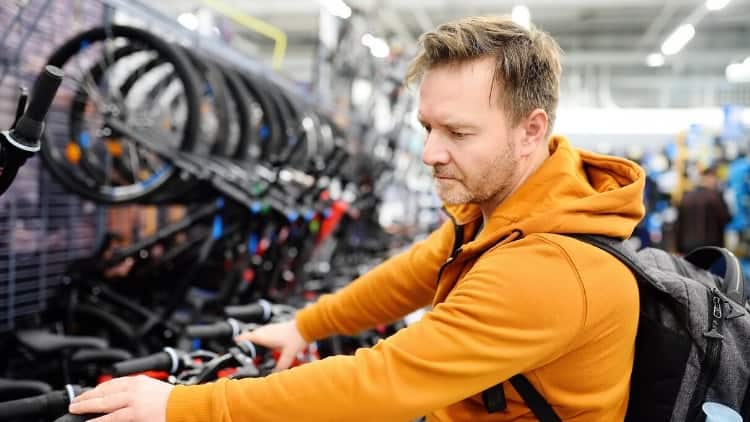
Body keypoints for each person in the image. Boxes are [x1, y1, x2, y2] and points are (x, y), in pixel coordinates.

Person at [69, 15, 645, 422]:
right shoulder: (507, 209)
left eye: (458, 133)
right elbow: (411, 273)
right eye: (427, 128)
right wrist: (306, 326)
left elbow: (383, 381)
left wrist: (180, 408)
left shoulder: (551, 265)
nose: (430, 154)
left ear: (532, 130)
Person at [675, 166, 731, 254]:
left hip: (687, 246)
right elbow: (726, 218)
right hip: (711, 246)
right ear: (710, 178)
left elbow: (678, 225)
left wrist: (678, 248)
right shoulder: (715, 197)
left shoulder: (686, 198)